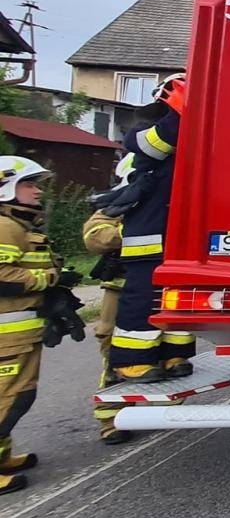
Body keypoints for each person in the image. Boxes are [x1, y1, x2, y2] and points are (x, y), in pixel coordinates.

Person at [107, 74, 193, 383]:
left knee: (179, 296)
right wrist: (183, 111)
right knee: (143, 295)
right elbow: (160, 142)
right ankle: (131, 360)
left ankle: (174, 355)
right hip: (148, 234)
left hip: (175, 235)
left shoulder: (190, 133)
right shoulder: (143, 133)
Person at [0, 157, 63, 495]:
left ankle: (3, 457)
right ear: (6, 187)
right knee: (10, 398)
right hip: (7, 336)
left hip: (19, 333)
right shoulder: (4, 227)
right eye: (30, 184)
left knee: (13, 396)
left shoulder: (18, 226)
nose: (37, 191)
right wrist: (49, 278)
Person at [84, 154, 134, 444]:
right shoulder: (114, 206)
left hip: (153, 292)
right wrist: (136, 226)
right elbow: (95, 237)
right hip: (119, 293)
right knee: (115, 354)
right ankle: (110, 419)